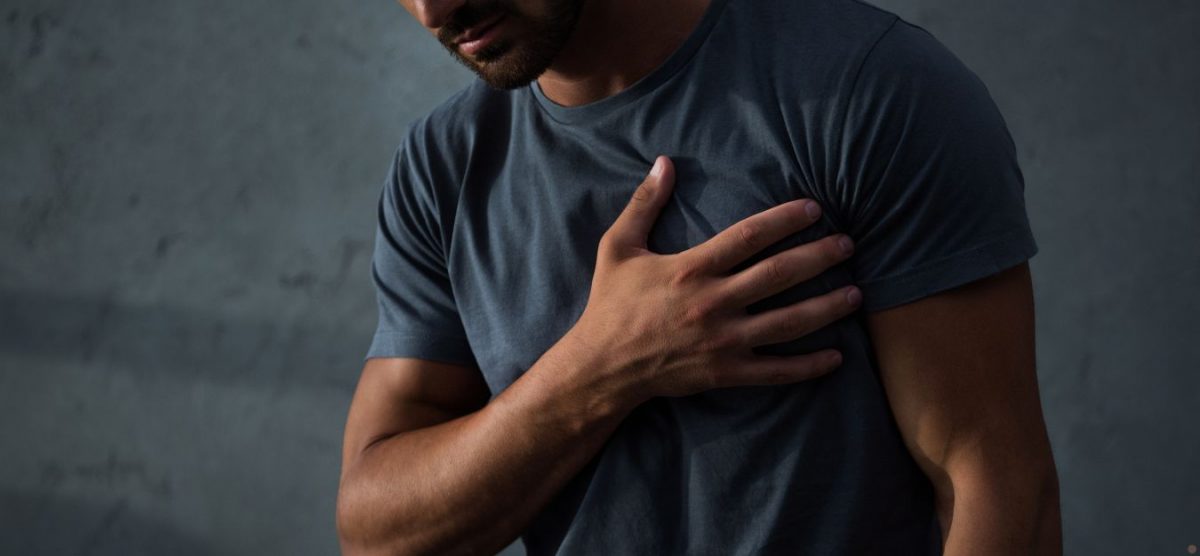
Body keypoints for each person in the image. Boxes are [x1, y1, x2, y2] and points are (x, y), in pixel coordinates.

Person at [335, 0, 1062, 553]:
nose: (434, 10)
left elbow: (997, 489)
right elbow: (377, 531)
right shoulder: (444, 167)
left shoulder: (866, 91)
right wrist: (599, 370)